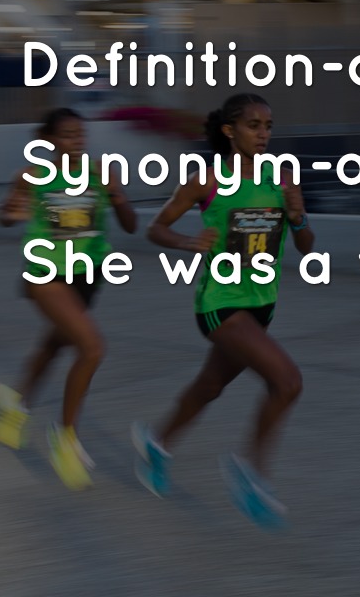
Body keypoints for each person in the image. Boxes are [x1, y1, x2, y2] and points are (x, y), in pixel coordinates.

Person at [133, 93, 313, 529]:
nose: (263, 134)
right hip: (221, 304)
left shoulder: (281, 178)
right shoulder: (207, 180)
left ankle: (156, 444)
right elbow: (156, 227)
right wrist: (187, 242)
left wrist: (298, 216)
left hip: (261, 306)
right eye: (253, 125)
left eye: (268, 126)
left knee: (210, 386)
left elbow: (306, 247)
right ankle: (250, 471)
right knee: (287, 381)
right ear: (230, 131)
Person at [0, 107, 137, 490]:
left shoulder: (100, 174)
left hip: (87, 279)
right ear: (50, 140)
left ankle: (14, 405)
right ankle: (65, 435)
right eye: (68, 135)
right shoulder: (32, 176)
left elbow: (131, 225)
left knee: (54, 345)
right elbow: (4, 215)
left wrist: (116, 193)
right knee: (92, 348)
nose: (77, 141)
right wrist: (9, 213)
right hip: (45, 275)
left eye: (81, 135)